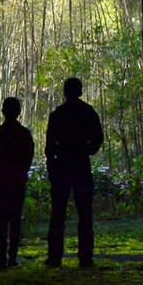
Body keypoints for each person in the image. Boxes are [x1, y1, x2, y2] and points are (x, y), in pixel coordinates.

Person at [44, 76, 104, 267]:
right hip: (80, 165)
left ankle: (55, 257)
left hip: (62, 166)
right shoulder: (87, 113)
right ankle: (85, 257)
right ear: (80, 91)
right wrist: (87, 151)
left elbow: (49, 146)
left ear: (65, 91)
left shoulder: (58, 115)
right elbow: (97, 138)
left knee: (58, 214)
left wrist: (52, 165)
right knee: (84, 214)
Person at [0, 96, 34, 270]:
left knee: (2, 217)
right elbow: (28, 157)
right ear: (19, 112)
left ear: (3, 112)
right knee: (15, 218)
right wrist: (20, 171)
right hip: (17, 179)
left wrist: (2, 169)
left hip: (1, 179)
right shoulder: (23, 134)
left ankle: (2, 257)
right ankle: (12, 256)